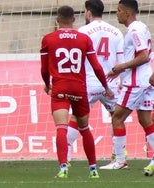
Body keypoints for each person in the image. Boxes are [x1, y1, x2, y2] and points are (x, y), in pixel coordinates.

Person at [40, 5, 114, 179]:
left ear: (57, 20)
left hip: (59, 87)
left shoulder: (48, 39)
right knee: (84, 128)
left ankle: (63, 167)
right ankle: (93, 169)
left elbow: (44, 69)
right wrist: (106, 87)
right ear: (74, 19)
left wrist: (46, 84)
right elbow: (96, 66)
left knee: (61, 128)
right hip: (79, 88)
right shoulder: (83, 38)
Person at [66, 0, 125, 165]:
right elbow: (121, 61)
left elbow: (76, 59)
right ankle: (118, 155)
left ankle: (67, 157)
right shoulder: (116, 32)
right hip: (110, 82)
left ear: (88, 12)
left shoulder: (83, 31)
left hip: (88, 82)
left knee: (76, 118)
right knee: (117, 117)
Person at [100, 0, 154, 175]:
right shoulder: (141, 27)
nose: (116, 13)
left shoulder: (135, 30)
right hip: (144, 80)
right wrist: (120, 71)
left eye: (118, 10)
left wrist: (121, 67)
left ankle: (120, 160)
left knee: (117, 118)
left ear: (127, 13)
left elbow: (144, 56)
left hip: (135, 82)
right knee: (145, 120)